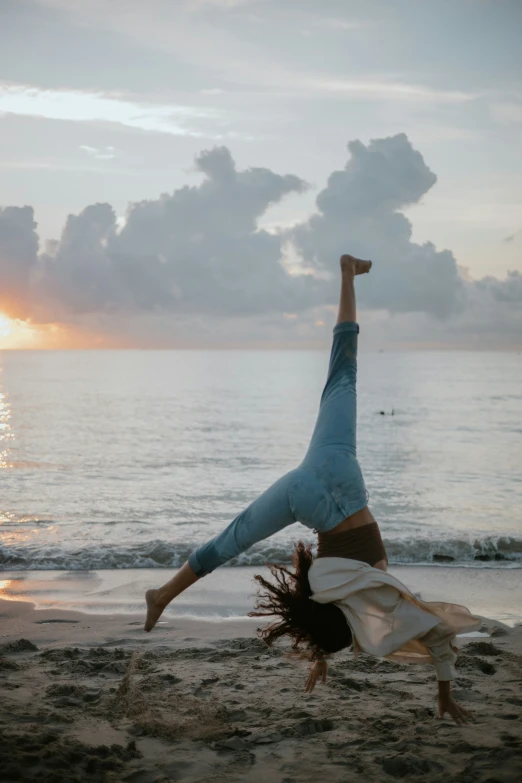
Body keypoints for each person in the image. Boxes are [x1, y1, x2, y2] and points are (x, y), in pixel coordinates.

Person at [144, 254, 480, 724]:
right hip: (307, 492)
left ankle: (347, 272)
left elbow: (438, 632)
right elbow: (317, 608)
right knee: (235, 537)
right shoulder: (325, 589)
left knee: (344, 368)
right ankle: (161, 595)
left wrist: (443, 692)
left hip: (341, 472)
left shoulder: (373, 592)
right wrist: (320, 655)